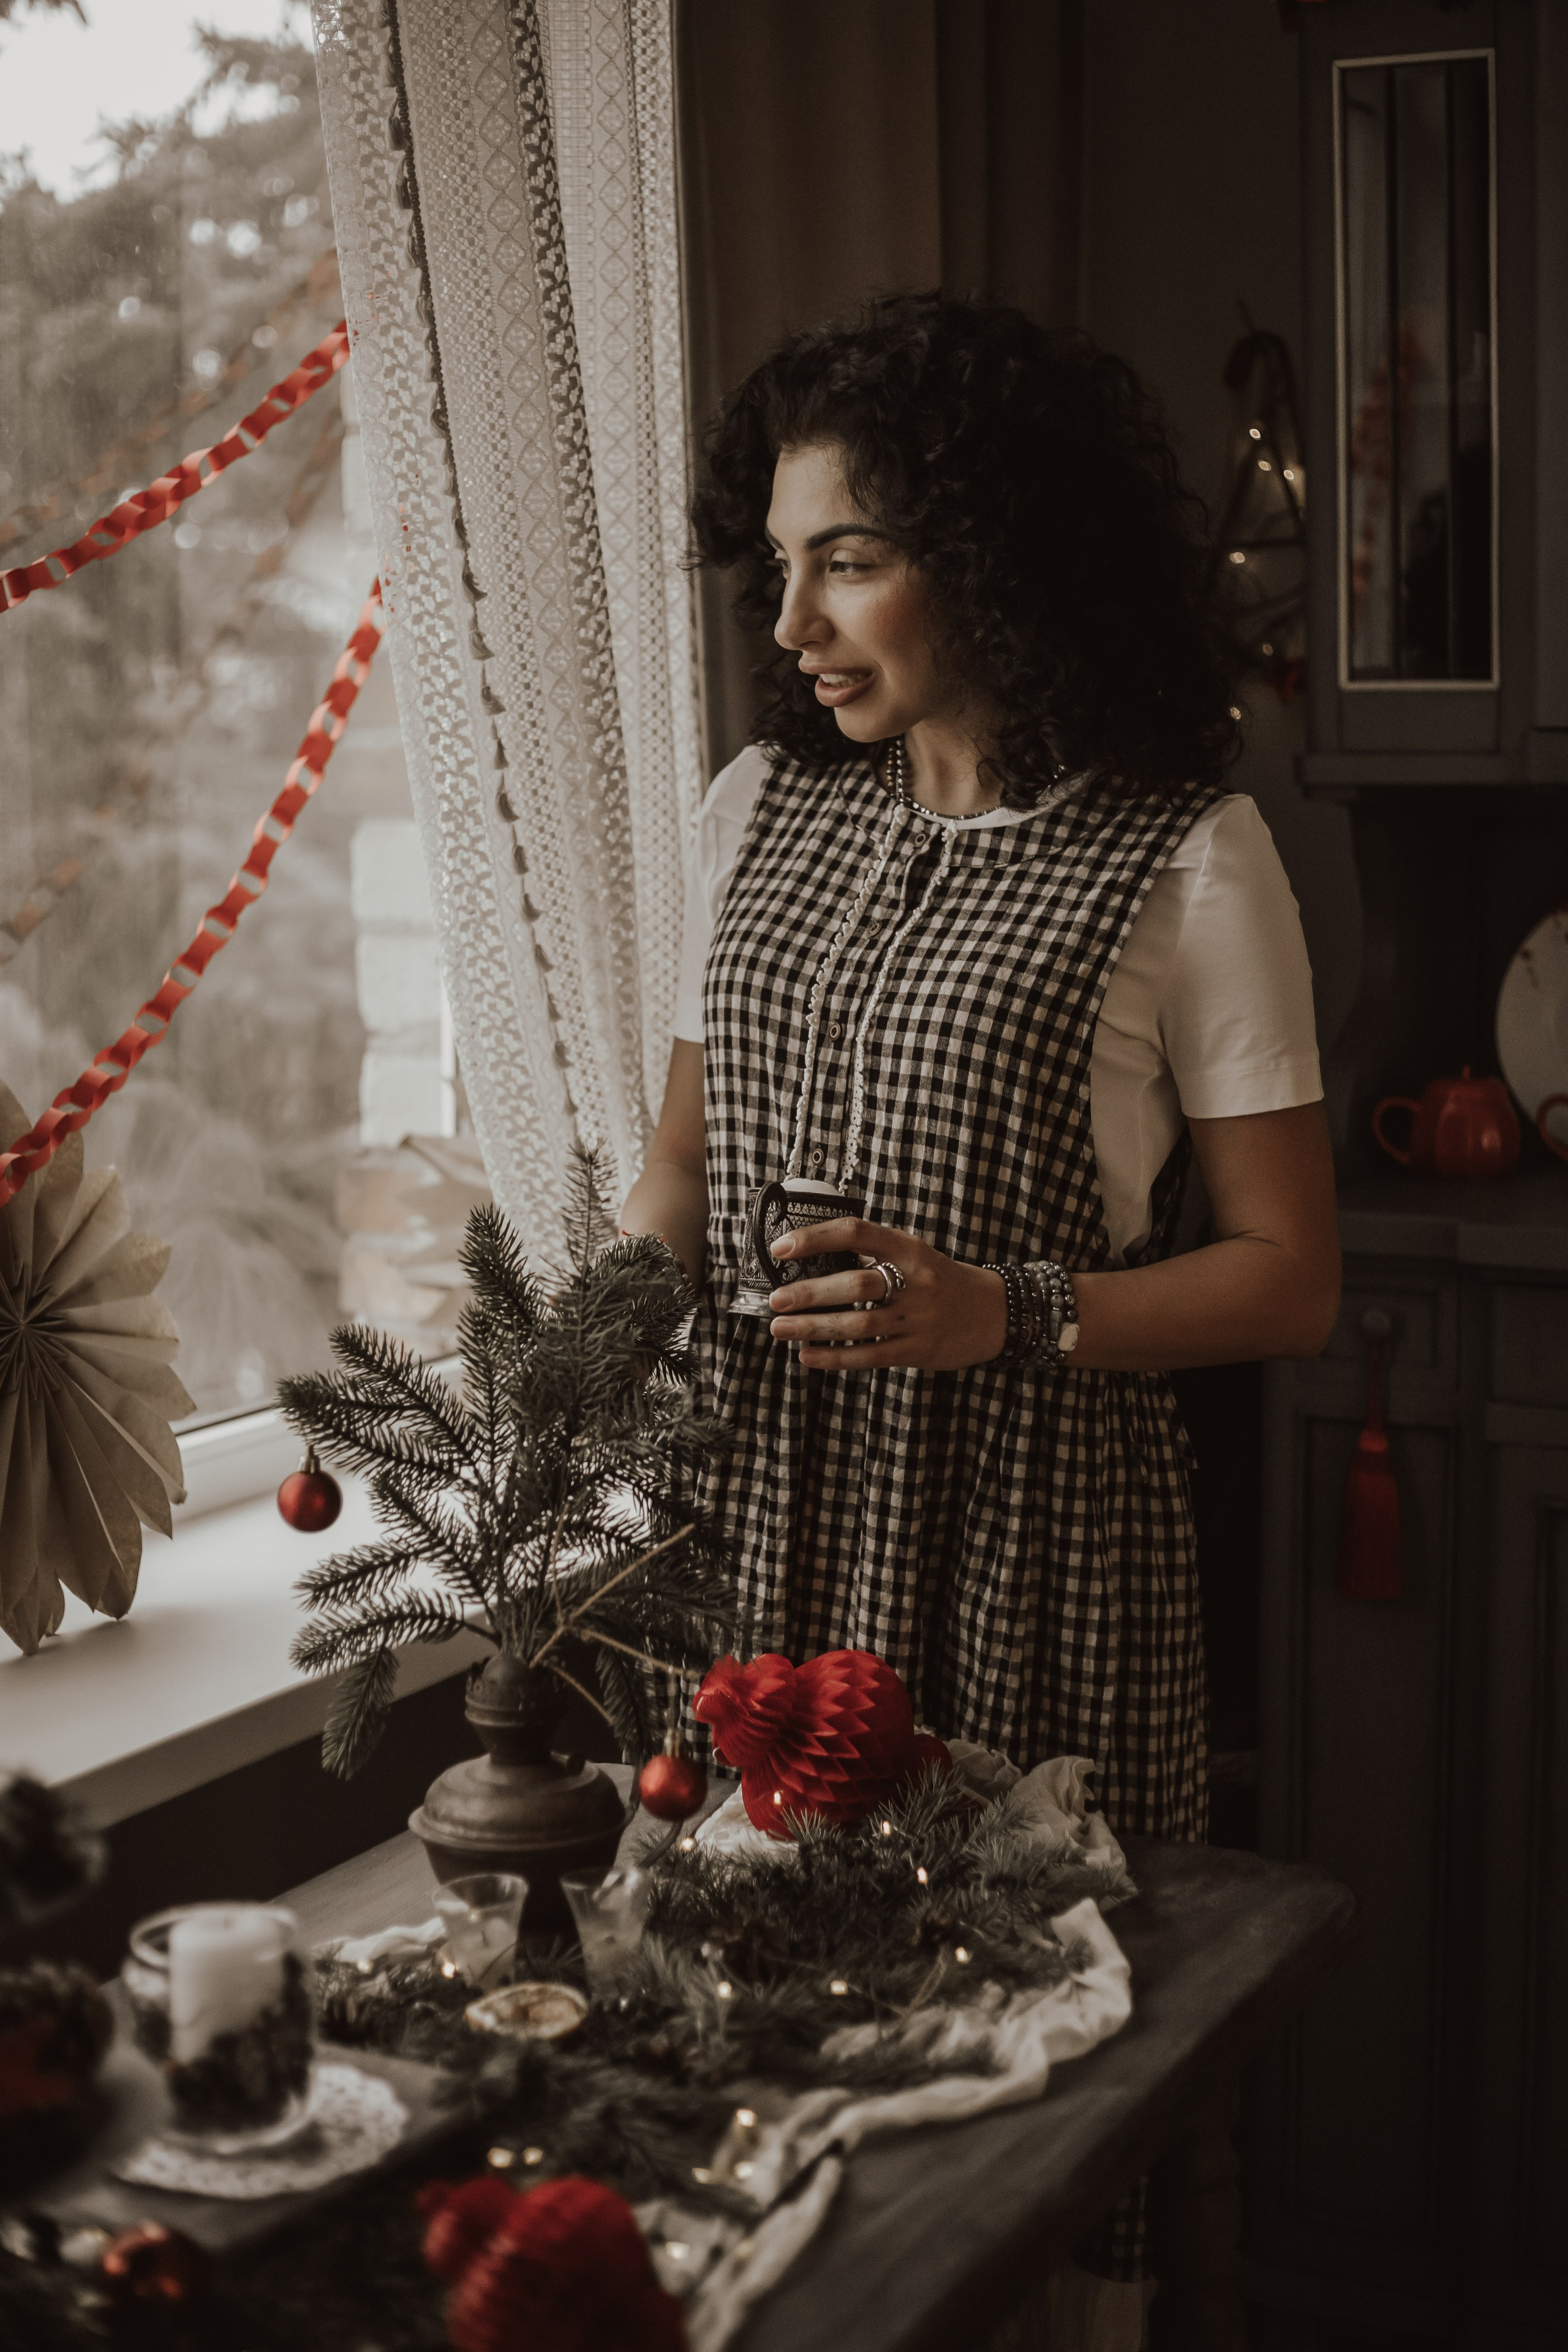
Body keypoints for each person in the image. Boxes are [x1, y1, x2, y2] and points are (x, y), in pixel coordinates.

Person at [622, 293, 1339, 2331]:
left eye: (848, 561)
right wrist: (562, 1363)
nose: (794, 624)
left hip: (1033, 1557)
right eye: (781, 567)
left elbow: (1293, 1277)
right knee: (739, 2096)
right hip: (757, 1545)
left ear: (997, 557)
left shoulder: (1190, 860)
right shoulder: (752, 812)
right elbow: (678, 1186)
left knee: (1019, 2138)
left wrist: (1001, 1313)